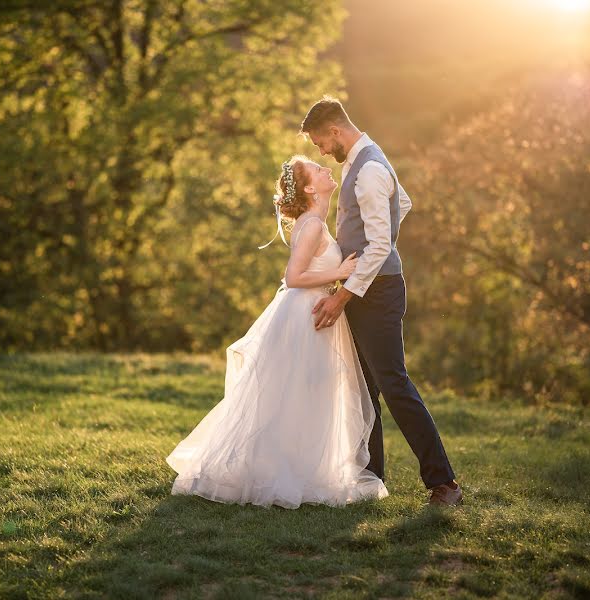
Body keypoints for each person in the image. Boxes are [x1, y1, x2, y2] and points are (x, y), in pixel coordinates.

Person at [167, 156, 388, 509]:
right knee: (298, 392)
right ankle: (288, 474)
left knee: (299, 395)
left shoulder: (314, 222)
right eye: (318, 169)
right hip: (305, 315)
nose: (326, 169)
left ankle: (299, 467)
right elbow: (293, 277)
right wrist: (340, 273)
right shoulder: (313, 225)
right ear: (309, 188)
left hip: (307, 312)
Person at [302, 96, 462, 506]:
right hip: (365, 285)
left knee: (394, 383)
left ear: (336, 131)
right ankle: (370, 479)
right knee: (364, 387)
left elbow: (378, 244)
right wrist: (377, 247)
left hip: (378, 292)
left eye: (321, 141)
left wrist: (343, 295)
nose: (320, 150)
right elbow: (401, 204)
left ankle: (444, 483)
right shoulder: (361, 161)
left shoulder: (369, 167)